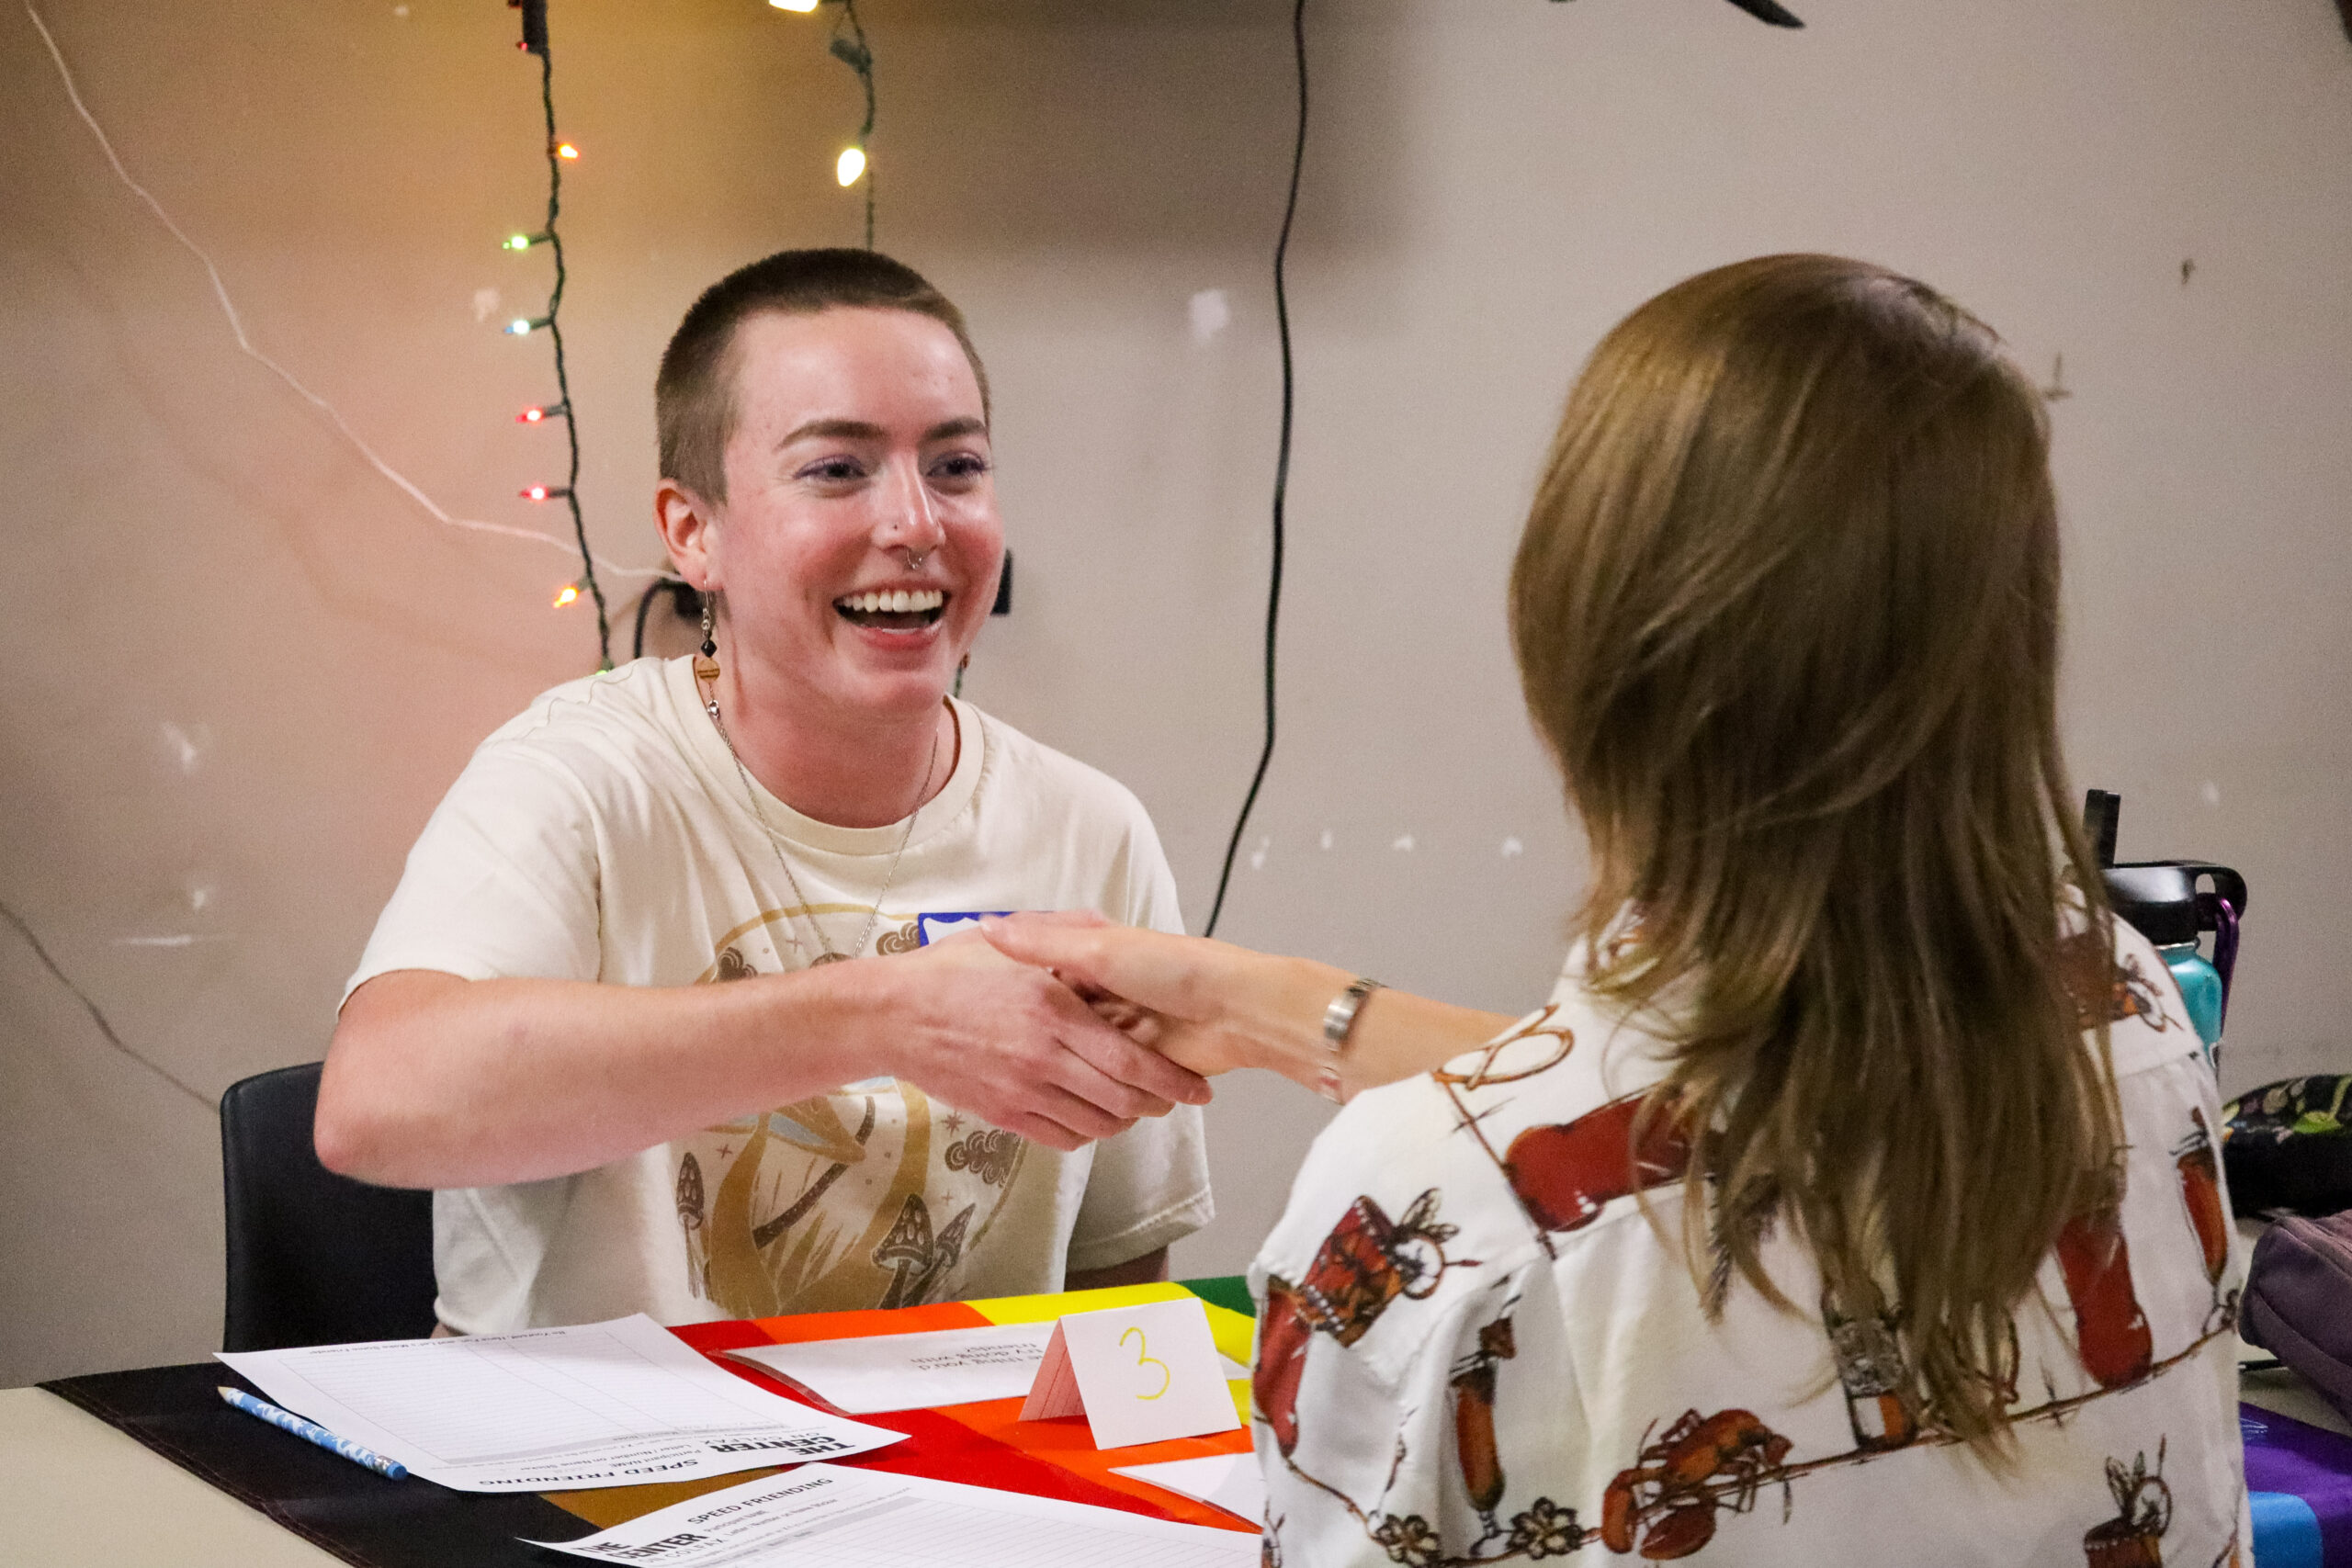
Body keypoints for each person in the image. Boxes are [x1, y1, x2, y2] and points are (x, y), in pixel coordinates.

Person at [985, 255, 2247, 1564]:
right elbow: (1734, 1109)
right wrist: (1280, 1002)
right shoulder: (2131, 1008)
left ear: (1579, 622)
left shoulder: (1426, 1202)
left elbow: (1608, 1148)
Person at [316, 249, 1214, 1336]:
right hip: (588, 1483)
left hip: (948, 1481)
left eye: (957, 466)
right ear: (694, 534)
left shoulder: (1089, 829)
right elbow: (373, 1108)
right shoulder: (580, 777)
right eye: (836, 470)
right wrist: (886, 1012)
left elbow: (1118, 1281)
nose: (917, 523)